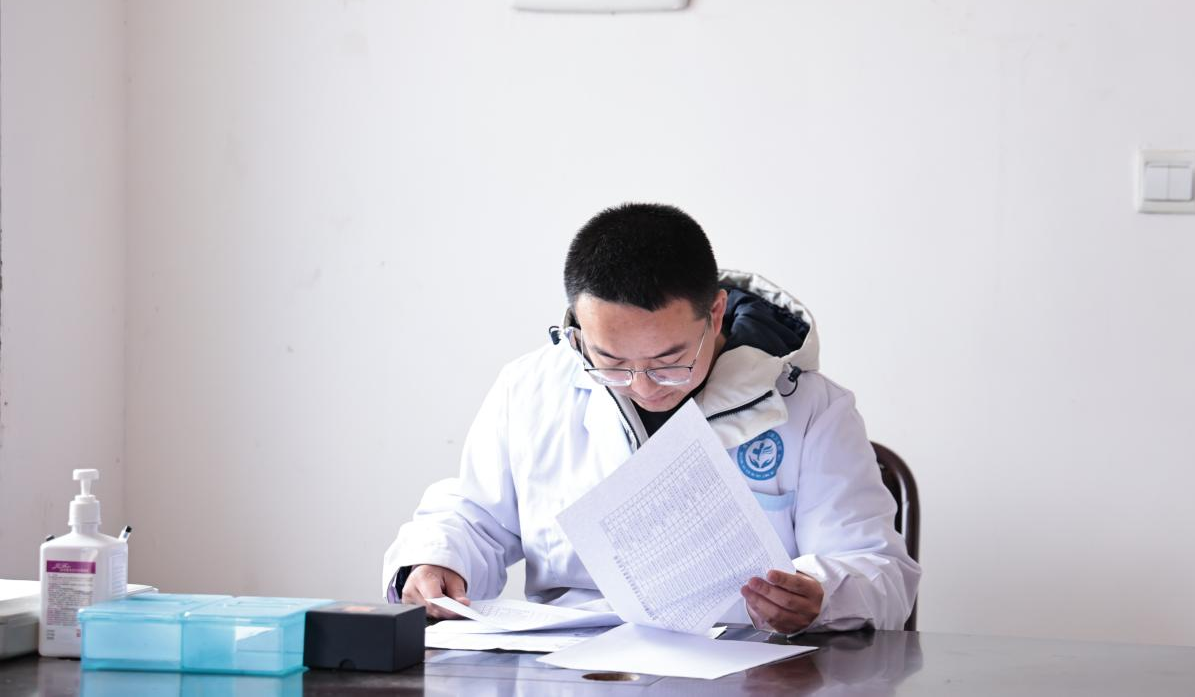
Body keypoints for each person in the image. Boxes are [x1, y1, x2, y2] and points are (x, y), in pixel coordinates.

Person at [382, 203, 920, 633]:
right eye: (611, 362)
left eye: (670, 362)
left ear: (714, 314)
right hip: (573, 666)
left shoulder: (811, 408)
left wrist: (821, 595)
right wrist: (437, 561)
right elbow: (475, 516)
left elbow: (880, 571)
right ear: (578, 329)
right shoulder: (530, 389)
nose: (642, 386)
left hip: (745, 664)